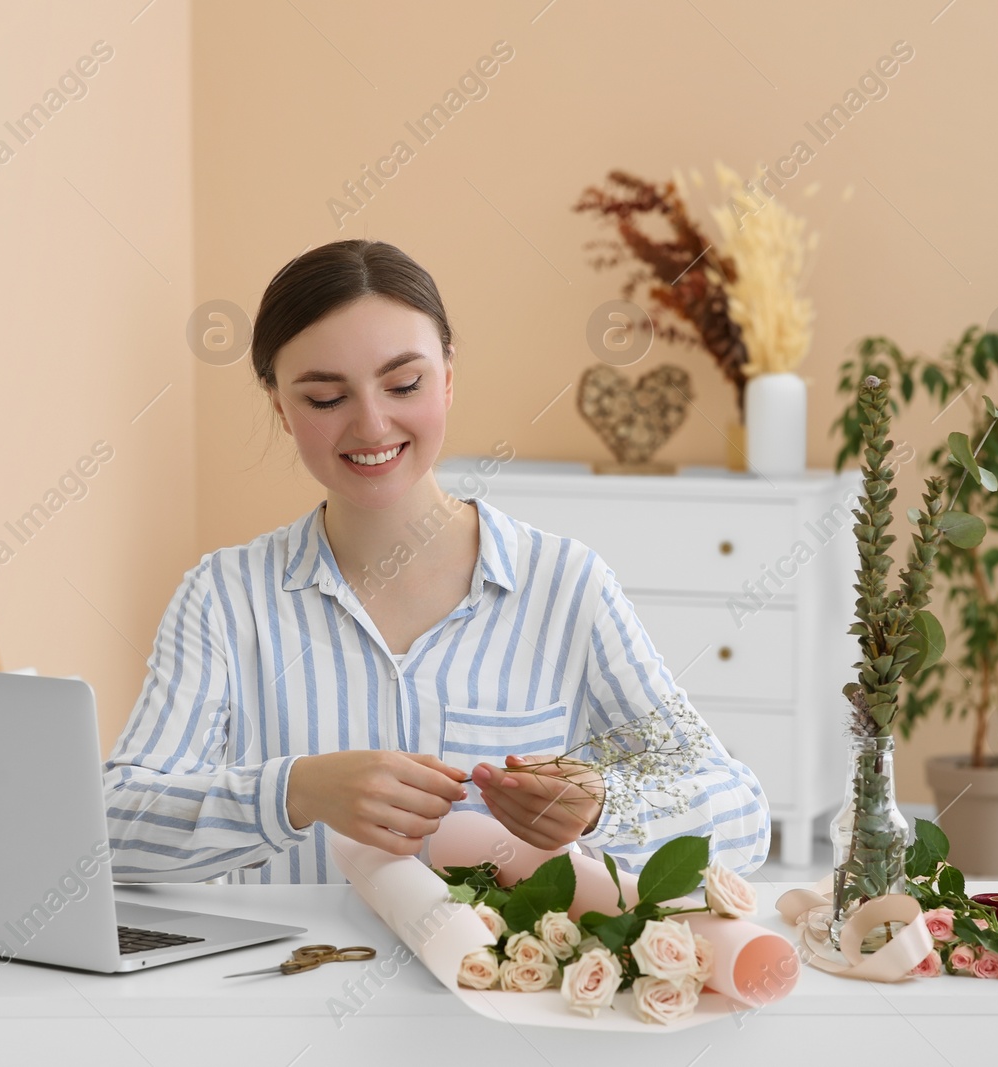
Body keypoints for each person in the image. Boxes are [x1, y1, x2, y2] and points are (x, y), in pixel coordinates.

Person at [103, 239, 769, 885]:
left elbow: (743, 817)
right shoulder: (225, 598)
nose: (371, 425)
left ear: (447, 379)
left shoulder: (565, 586)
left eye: (403, 383)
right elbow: (109, 826)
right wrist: (293, 791)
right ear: (280, 406)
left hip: (496, 994)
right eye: (325, 398)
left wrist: (601, 806)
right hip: (287, 990)